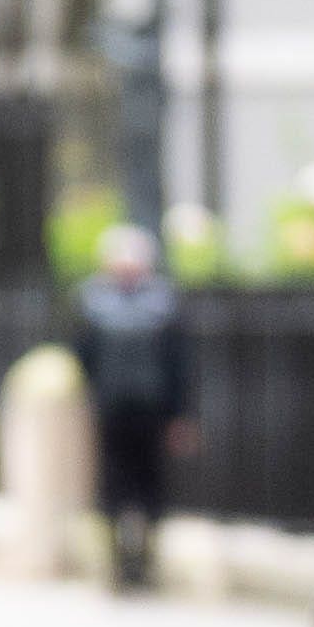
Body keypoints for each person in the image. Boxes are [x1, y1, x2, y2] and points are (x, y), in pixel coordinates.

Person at [73, 222, 195, 593]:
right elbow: (83, 359)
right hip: (111, 411)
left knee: (150, 487)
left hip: (151, 411)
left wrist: (180, 416)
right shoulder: (93, 303)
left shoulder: (163, 303)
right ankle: (117, 565)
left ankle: (145, 562)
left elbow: (179, 365)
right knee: (112, 486)